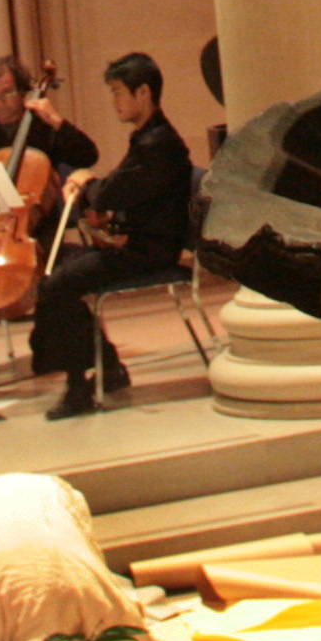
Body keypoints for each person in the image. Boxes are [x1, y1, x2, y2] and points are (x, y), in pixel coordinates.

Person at [35, 54, 194, 420]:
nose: (114, 101)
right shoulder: (148, 138)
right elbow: (127, 191)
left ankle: (79, 387)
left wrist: (85, 182)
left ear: (143, 93)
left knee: (57, 285)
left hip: (149, 253)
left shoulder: (159, 144)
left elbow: (110, 192)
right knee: (57, 268)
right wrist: (103, 206)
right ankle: (108, 368)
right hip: (137, 244)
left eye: (118, 92)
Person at [0, 55, 94, 389]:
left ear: (25, 92)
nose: (0, 103)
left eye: (8, 93)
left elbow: (88, 155)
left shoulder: (43, 130)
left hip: (38, 229)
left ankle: (49, 344)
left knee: (51, 272)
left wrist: (57, 121)